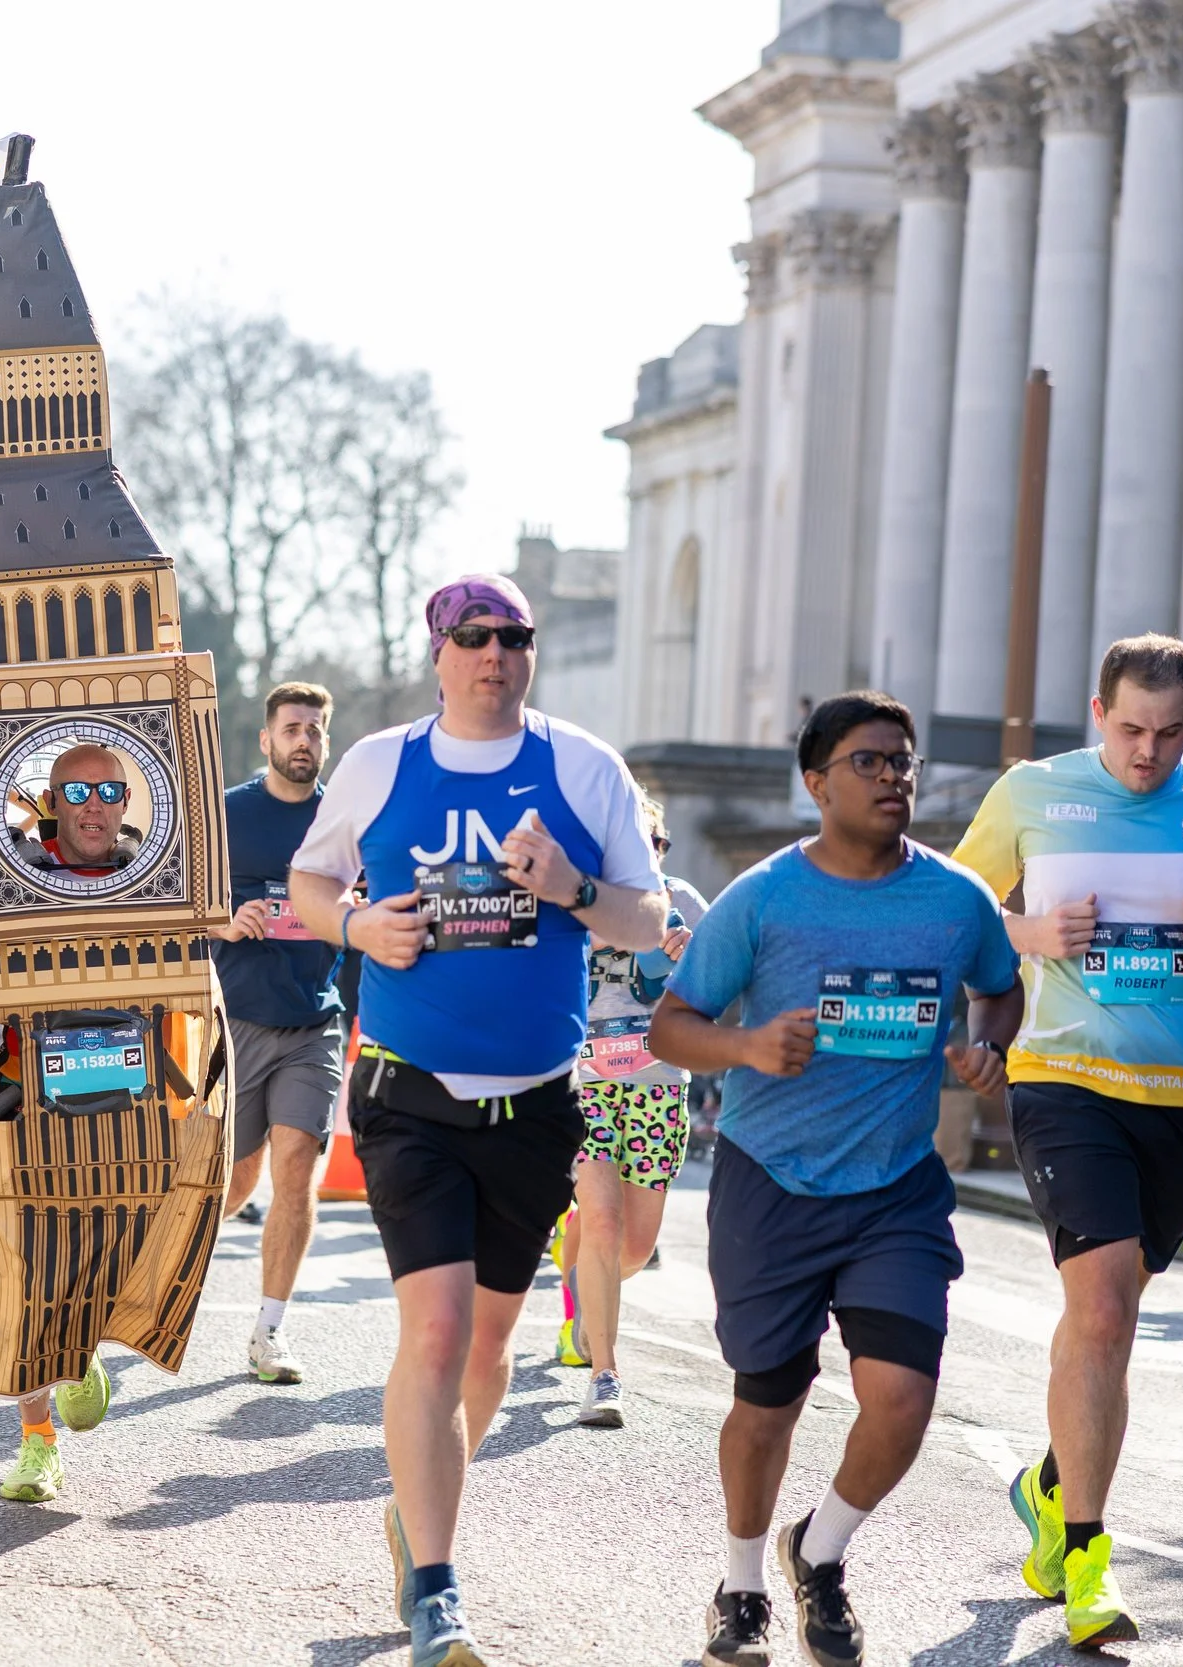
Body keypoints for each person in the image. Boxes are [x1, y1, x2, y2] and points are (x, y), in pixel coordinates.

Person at [285, 575, 666, 1667]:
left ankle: (418, 1510)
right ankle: (440, 1591)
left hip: (540, 1100)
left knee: (489, 1346)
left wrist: (569, 884)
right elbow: (310, 879)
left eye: (514, 636)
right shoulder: (380, 761)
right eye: (474, 637)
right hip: (408, 1090)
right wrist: (358, 925)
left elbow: (647, 914)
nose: (496, 653)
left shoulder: (584, 765)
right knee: (438, 1329)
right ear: (438, 651)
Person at [651, 692, 1022, 1667]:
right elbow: (670, 1024)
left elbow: (999, 983)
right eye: (868, 761)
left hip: (895, 1186)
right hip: (770, 1177)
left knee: (901, 1396)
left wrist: (985, 1047)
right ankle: (740, 1584)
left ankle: (817, 1553)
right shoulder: (764, 898)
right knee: (767, 1400)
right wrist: (745, 1042)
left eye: (902, 760)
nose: (893, 775)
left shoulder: (954, 900)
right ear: (815, 781)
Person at [949, 634, 1183, 1650]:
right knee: (1098, 1305)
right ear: (1095, 710)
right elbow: (946, 906)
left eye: (1169, 732)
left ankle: (1048, 1483)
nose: (1146, 752)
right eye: (1130, 728)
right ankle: (1090, 1562)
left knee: (1113, 1316)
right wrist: (1030, 935)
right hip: (1064, 1080)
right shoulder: (1029, 792)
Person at [554, 797, 708, 1428]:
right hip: (582, 1078)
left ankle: (586, 1285)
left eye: (658, 846)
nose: (649, 858)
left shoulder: (684, 902)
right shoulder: (575, 900)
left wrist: (689, 957)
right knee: (604, 1220)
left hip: (657, 1081)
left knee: (635, 1247)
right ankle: (605, 1375)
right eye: (635, 846)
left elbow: (722, 990)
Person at [211, 681, 344, 1386]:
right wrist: (224, 921)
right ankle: (161, 1284)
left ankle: (269, 1330)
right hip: (235, 1018)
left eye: (316, 731)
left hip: (314, 1021)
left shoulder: (340, 823)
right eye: (292, 728)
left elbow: (370, 902)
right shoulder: (228, 814)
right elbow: (176, 903)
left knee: (296, 1166)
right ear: (266, 740)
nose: (304, 741)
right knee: (231, 1182)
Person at [19, 746, 141, 874]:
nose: (94, 807)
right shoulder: (15, 871)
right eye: (76, 791)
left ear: (125, 802)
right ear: (51, 802)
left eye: (109, 791)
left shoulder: (150, 870)